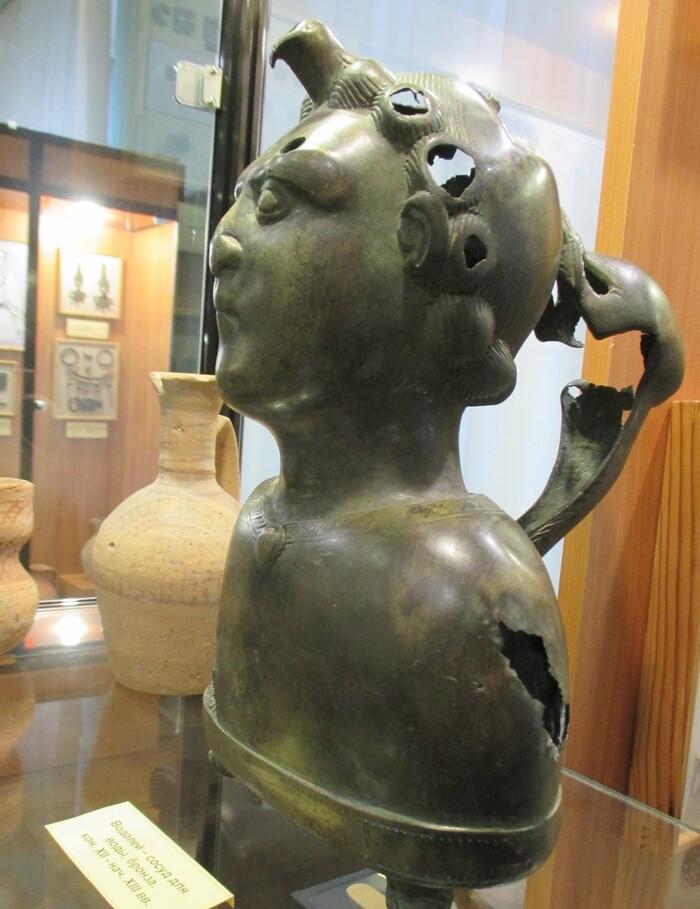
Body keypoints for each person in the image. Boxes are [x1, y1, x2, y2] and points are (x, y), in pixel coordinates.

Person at [204, 21, 683, 908]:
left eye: (278, 206)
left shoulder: (463, 595)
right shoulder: (266, 518)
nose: (224, 241)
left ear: (424, 257)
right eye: (244, 201)